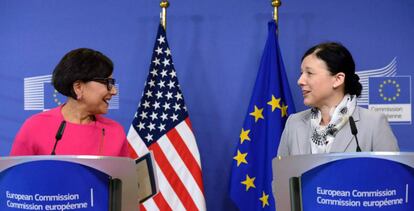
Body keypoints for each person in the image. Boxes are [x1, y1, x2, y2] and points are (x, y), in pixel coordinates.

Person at [277, 42, 399, 156]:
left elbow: (392, 176)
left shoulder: (373, 123)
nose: (300, 81)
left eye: (309, 73)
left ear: (338, 79)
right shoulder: (293, 123)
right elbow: (280, 177)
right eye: (301, 74)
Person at [10, 48, 129, 157]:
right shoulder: (34, 127)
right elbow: (16, 176)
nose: (114, 91)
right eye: (108, 83)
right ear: (78, 87)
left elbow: (125, 179)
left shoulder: (115, 132)